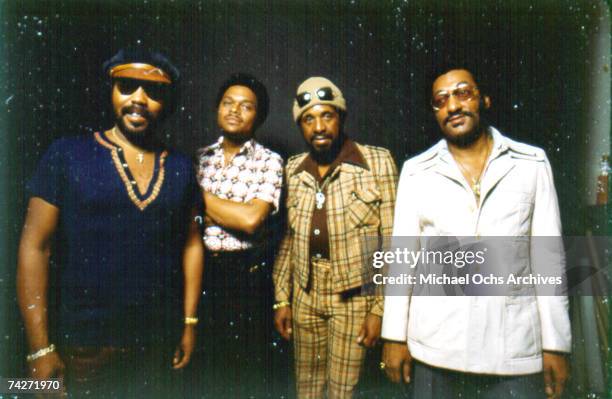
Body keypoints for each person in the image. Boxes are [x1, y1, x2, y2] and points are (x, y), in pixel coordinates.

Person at [16, 48, 204, 397]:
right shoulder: (66, 154)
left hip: (155, 344)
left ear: (167, 102)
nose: (139, 99)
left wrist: (188, 324)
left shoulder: (179, 167)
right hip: (84, 345)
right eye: (128, 86)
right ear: (111, 91)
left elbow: (192, 243)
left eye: (153, 91)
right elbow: (34, 247)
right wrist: (39, 348)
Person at [381, 67, 571, 399]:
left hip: (513, 350)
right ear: (435, 112)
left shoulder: (531, 164)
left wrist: (557, 344)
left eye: (462, 93)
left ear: (484, 99)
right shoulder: (416, 171)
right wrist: (394, 337)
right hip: (436, 347)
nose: (452, 106)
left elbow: (549, 261)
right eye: (441, 100)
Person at [273, 77, 398, 398]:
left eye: (327, 116)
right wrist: (282, 298)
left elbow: (393, 242)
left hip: (355, 295)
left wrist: (379, 310)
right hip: (305, 294)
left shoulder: (377, 163)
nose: (318, 126)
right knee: (307, 389)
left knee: (343, 391)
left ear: (341, 117)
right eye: (308, 119)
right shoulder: (294, 170)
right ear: (300, 126)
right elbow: (287, 240)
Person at [195, 73, 283, 397]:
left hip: (246, 279)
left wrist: (195, 196)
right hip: (201, 274)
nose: (235, 110)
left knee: (246, 374)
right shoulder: (198, 159)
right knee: (204, 372)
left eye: (246, 106)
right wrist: (216, 207)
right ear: (218, 109)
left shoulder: (270, 162)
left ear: (257, 116)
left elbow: (250, 220)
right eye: (228, 103)